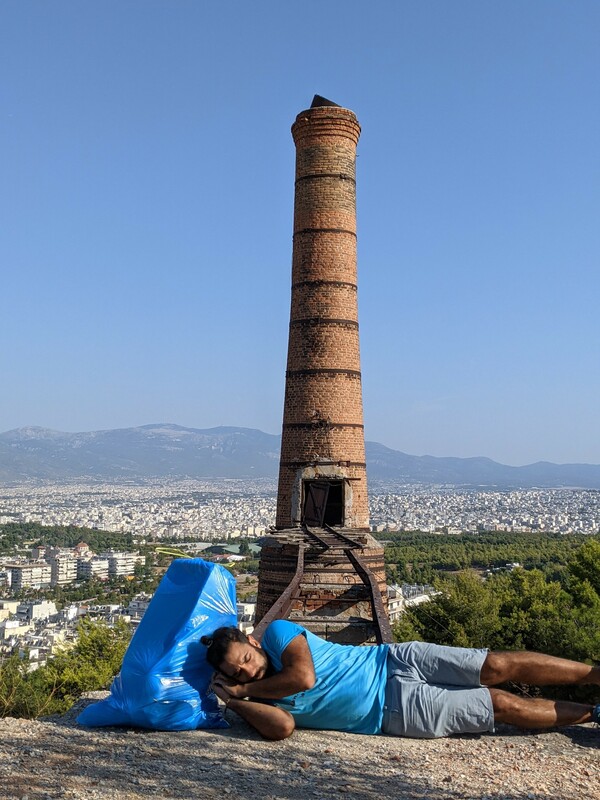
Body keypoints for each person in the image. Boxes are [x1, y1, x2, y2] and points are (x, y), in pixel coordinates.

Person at [202, 620, 600, 741]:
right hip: (394, 711)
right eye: (237, 673)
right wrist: (236, 701)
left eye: (248, 660)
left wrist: (247, 689)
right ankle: (594, 713)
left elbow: (303, 677)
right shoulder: (257, 701)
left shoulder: (277, 634)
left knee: (494, 665)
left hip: (393, 658)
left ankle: (596, 676)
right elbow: (283, 728)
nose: (249, 671)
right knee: (499, 704)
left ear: (251, 641)